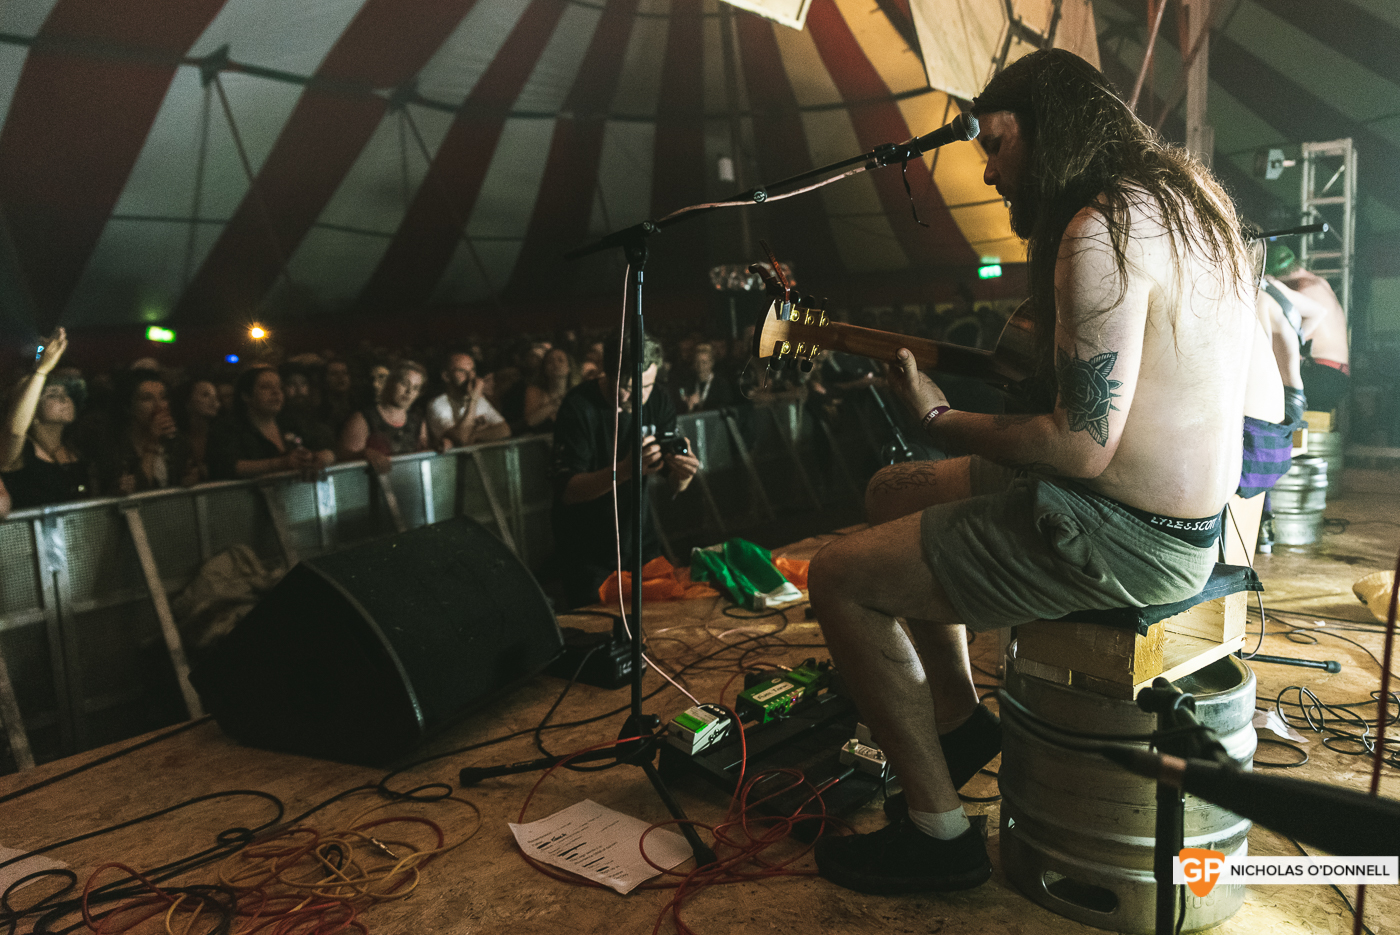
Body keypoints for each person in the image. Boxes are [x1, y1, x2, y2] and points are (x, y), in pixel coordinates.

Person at [805, 49, 1259, 895]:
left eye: (997, 145)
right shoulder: (1191, 206)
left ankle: (936, 834)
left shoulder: (1098, 231)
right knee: (887, 495)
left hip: (1126, 534)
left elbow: (1079, 443)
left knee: (837, 578)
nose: (989, 173)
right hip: (1172, 516)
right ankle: (957, 721)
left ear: (1038, 127)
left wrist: (938, 420)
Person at [550, 331, 700, 608]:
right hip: (589, 553)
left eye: (647, 385)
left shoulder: (658, 399)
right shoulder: (579, 406)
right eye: (629, 387)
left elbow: (675, 485)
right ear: (607, 373)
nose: (640, 396)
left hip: (640, 543)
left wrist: (684, 472)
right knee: (604, 632)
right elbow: (568, 491)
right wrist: (625, 470)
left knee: (672, 614)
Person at [1, 328, 97, 508]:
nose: (64, 398)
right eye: (52, 394)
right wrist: (41, 371)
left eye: (66, 393)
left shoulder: (78, 447)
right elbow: (14, 430)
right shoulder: (21, 452)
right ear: (31, 409)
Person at [208, 366, 332, 481]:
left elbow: (328, 450)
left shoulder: (291, 424)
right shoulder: (228, 429)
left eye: (279, 387)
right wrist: (282, 463)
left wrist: (319, 458)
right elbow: (228, 467)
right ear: (246, 396)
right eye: (265, 387)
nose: (276, 392)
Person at [1267, 244, 1349, 413]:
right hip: (1338, 374)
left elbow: (1297, 340)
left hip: (1322, 374)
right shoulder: (1320, 282)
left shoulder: (1304, 289)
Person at [96, 369, 195, 494]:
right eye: (147, 399)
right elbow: (140, 489)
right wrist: (152, 441)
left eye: (163, 397)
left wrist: (191, 479)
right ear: (128, 407)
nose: (159, 406)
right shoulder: (115, 446)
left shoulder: (176, 441)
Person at [339, 360, 429, 474]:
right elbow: (343, 459)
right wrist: (364, 453)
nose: (409, 391)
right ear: (390, 382)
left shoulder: (417, 421)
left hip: (409, 484)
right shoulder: (364, 418)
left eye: (415, 388)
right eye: (404, 383)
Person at [426, 352, 510, 450]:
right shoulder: (438, 404)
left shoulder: (480, 400)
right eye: (462, 371)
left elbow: (504, 430)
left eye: (472, 370)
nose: (471, 377)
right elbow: (462, 439)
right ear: (446, 376)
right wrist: (473, 400)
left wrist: (474, 436)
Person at [172, 377, 222, 483]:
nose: (214, 401)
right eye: (205, 395)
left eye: (216, 396)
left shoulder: (223, 435)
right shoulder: (175, 438)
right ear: (188, 402)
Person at [522, 347, 582, 433]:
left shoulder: (577, 395)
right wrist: (558, 401)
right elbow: (530, 422)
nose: (555, 364)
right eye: (550, 361)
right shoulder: (535, 392)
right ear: (545, 369)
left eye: (560, 360)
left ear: (569, 368)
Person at [676, 343, 735, 413]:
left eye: (704, 363)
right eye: (697, 362)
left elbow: (726, 409)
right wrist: (689, 406)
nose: (700, 366)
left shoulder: (721, 384)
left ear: (711, 363)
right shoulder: (689, 384)